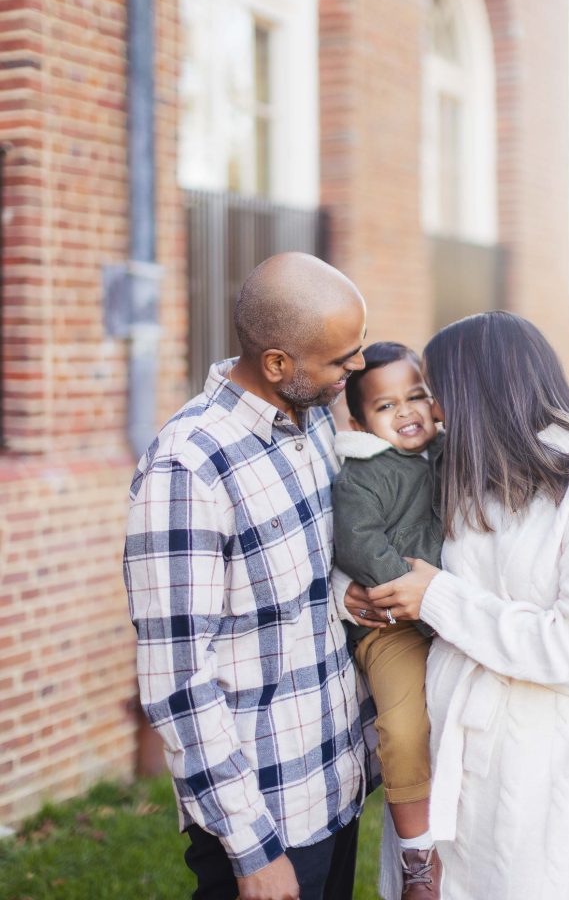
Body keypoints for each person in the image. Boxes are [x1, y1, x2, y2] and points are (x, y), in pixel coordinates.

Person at [364, 311, 569, 900]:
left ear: (480, 388)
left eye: (436, 392)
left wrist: (439, 597)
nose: (432, 411)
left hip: (537, 752)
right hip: (446, 725)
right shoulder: (466, 469)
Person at [123, 252, 372, 900]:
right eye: (342, 359)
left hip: (334, 784)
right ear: (277, 365)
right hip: (266, 813)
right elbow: (177, 680)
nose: (358, 368)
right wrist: (250, 848)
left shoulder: (313, 422)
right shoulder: (188, 468)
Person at [332, 342, 443, 900]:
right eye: (386, 406)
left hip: (448, 612)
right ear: (358, 422)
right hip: (393, 624)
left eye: (416, 396)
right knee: (402, 729)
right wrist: (415, 597)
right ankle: (417, 858)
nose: (406, 412)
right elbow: (358, 544)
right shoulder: (364, 473)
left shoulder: (450, 452)